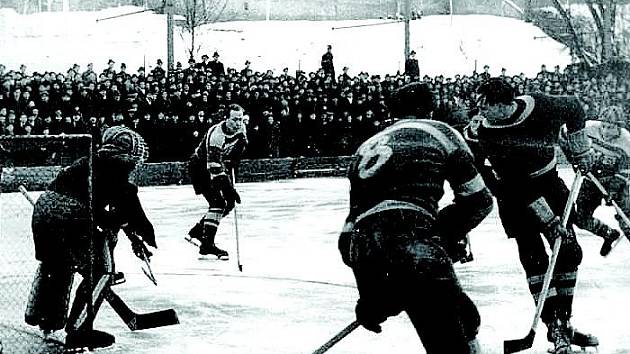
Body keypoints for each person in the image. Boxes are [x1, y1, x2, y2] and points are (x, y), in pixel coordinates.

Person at [338, 82, 494, 354]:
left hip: (364, 247)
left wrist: (369, 294)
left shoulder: (367, 145)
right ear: (431, 110)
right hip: (414, 241)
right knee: (450, 342)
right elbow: (479, 200)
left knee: (465, 315)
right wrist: (441, 234)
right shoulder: (442, 132)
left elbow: (349, 235)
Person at [473, 78, 597, 354]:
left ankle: (564, 323)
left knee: (568, 252)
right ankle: (552, 324)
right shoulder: (485, 133)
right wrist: (550, 221)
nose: (479, 111)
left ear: (503, 104)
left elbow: (574, 107)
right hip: (513, 194)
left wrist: (581, 148)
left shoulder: (541, 105)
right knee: (534, 257)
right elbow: (515, 185)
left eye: (484, 105)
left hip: (549, 182)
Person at [25, 126, 156, 350]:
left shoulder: (89, 162)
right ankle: (79, 331)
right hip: (71, 215)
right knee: (102, 271)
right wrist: (143, 234)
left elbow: (105, 212)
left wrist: (127, 231)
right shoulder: (118, 167)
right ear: (125, 152)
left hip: (43, 210)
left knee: (57, 265)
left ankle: (44, 317)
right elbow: (127, 207)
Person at [563, 105, 630, 256]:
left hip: (615, 180)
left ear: (619, 127)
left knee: (627, 216)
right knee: (580, 218)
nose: (606, 131)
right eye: (604, 126)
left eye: (611, 127)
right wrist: (573, 156)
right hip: (591, 180)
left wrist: (614, 187)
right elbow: (565, 136)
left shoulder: (626, 141)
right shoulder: (589, 128)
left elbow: (626, 170)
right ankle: (608, 234)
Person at [187, 103, 247, 258]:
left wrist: (234, 160)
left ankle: (199, 232)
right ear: (226, 119)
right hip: (200, 168)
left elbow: (240, 147)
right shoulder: (216, 135)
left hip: (217, 166)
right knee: (218, 203)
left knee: (229, 204)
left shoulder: (241, 129)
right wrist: (228, 188)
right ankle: (207, 245)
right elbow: (213, 167)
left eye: (240, 119)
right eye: (234, 120)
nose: (238, 123)